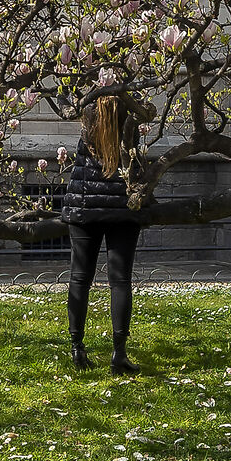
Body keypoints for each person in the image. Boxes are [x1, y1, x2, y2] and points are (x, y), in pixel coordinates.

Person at [60, 94, 149, 374]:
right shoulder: (129, 118)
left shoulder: (87, 115)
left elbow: (64, 99)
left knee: (79, 278)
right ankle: (118, 354)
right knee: (120, 281)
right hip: (123, 207)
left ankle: (77, 348)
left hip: (85, 206)